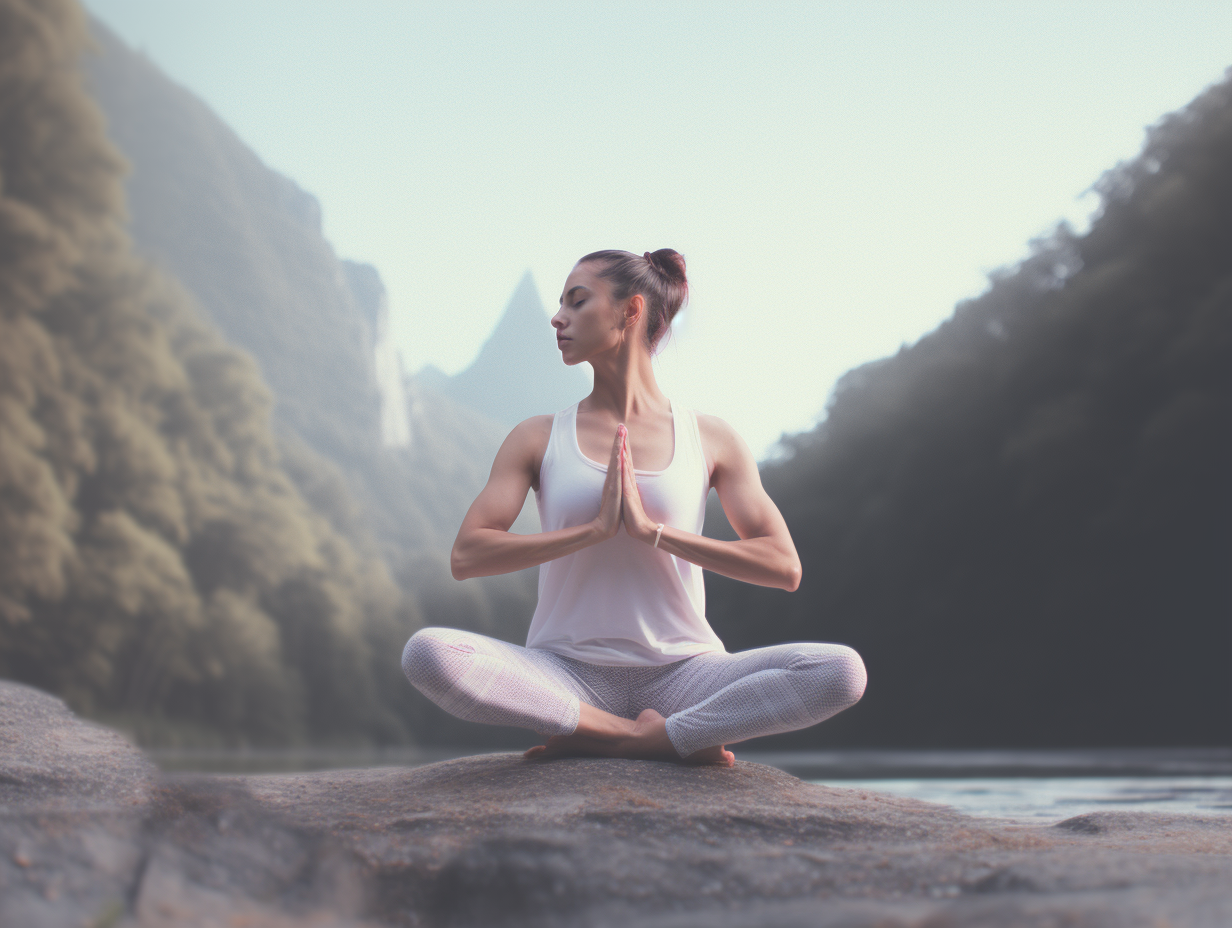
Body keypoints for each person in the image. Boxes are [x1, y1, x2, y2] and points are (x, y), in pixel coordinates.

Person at [402, 249, 866, 766]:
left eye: (577, 302)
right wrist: (591, 531)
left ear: (631, 311)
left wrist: (653, 532)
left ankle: (626, 734)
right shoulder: (537, 437)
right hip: (564, 674)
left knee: (841, 670)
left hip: (687, 674)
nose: (558, 318)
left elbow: (784, 566)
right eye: (559, 305)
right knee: (428, 653)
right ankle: (644, 735)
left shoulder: (710, 438)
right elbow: (468, 555)